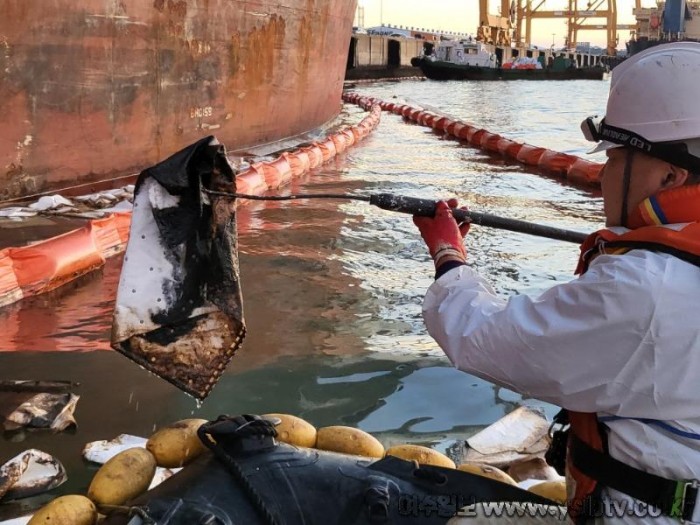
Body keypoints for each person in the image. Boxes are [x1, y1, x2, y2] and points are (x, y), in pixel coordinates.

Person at [413, 41, 700, 524]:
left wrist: (448, 256)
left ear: (669, 175)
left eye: (614, 158)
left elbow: (488, 340)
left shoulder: (647, 286)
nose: (604, 175)